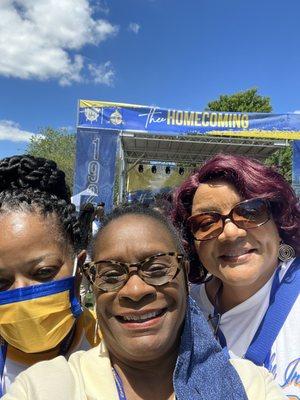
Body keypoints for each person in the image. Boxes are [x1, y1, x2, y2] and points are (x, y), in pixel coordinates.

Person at [3, 204, 285, 399]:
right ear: (92, 286)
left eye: (157, 269)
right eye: (111, 274)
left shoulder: (252, 386)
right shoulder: (43, 388)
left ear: (185, 276)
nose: (135, 290)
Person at [172, 153, 299, 398]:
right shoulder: (183, 310)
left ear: (279, 222)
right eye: (206, 222)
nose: (230, 233)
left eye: (251, 212)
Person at [0, 155, 99, 395]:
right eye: (1, 282)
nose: (22, 294)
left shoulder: (107, 342)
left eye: (44, 272)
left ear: (79, 268)